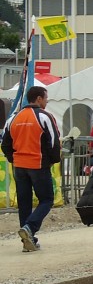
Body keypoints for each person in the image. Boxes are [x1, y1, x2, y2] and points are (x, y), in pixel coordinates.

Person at [1, 86, 61, 252]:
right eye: (46, 98)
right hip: (38, 164)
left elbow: (5, 143)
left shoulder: (14, 118)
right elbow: (54, 142)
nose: (47, 101)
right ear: (39, 99)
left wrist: (13, 158)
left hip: (19, 166)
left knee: (24, 203)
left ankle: (28, 241)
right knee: (47, 199)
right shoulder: (45, 116)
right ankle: (30, 228)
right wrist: (54, 160)